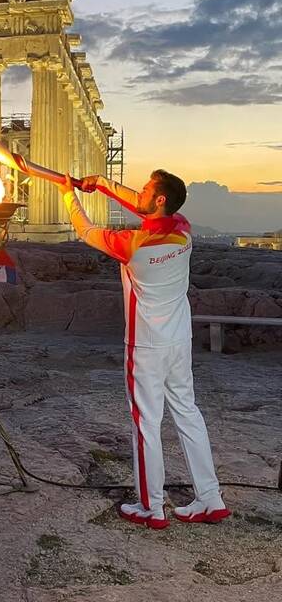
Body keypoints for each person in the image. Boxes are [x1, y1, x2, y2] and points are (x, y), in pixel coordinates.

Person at [54, 170, 231, 530]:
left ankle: (152, 508)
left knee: (146, 423)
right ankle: (210, 498)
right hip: (179, 340)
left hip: (146, 344)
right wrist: (100, 182)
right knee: (187, 411)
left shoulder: (133, 243)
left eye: (148, 189)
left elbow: (86, 231)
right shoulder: (182, 229)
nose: (141, 193)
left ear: (160, 199)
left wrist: (68, 194)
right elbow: (139, 205)